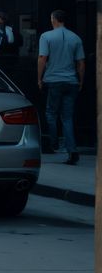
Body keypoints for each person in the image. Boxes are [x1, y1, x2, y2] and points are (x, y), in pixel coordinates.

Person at [37, 9, 86, 166]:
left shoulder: (46, 36)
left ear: (53, 19)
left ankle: (54, 143)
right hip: (71, 81)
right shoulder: (76, 38)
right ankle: (72, 150)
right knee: (67, 117)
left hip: (54, 80)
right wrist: (81, 81)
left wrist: (39, 78)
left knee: (51, 113)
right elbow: (81, 63)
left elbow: (42, 58)